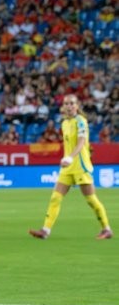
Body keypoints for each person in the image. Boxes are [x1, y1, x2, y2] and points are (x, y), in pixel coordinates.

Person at [28, 94, 112, 240]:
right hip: (68, 167)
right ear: (63, 107)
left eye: (72, 103)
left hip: (80, 165)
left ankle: (106, 229)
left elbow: (81, 142)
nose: (69, 106)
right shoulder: (65, 123)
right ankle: (45, 230)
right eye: (66, 103)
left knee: (91, 200)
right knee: (55, 197)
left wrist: (70, 157)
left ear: (77, 106)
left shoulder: (81, 121)